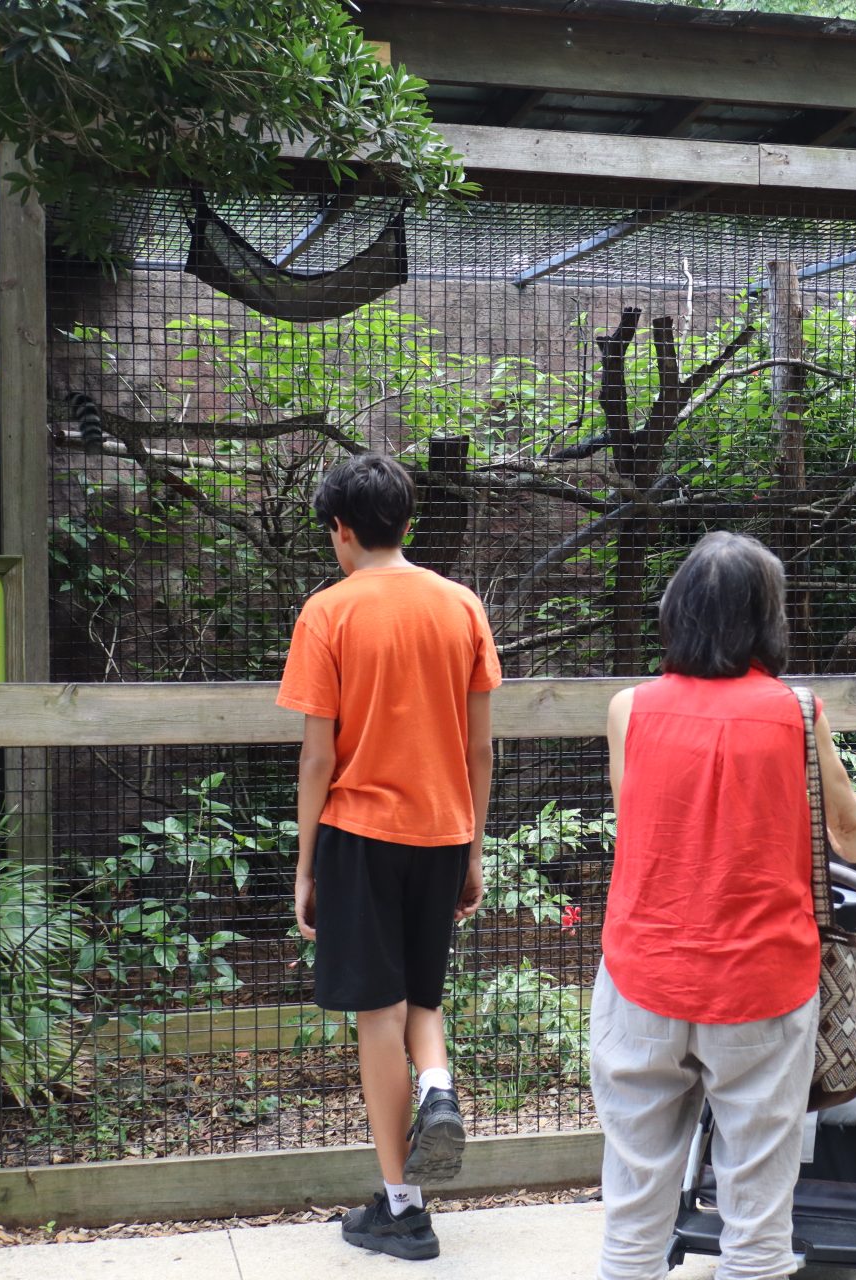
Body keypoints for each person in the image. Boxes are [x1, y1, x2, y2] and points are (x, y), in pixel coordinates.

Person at [593, 531, 856, 1280]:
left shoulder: (629, 709)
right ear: (766, 619)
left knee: (634, 1196)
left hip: (642, 975)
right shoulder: (797, 712)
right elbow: (850, 840)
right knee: (756, 1203)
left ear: (675, 611)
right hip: (760, 982)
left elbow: (639, 822)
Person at [280, 452, 501, 1261]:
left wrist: (306, 867)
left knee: (379, 1010)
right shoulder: (463, 607)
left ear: (341, 530)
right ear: (409, 523)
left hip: (360, 836)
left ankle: (402, 1207)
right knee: (423, 996)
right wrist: (473, 846)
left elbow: (315, 758)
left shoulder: (327, 613)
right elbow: (480, 750)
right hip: (444, 831)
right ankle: (438, 1089)